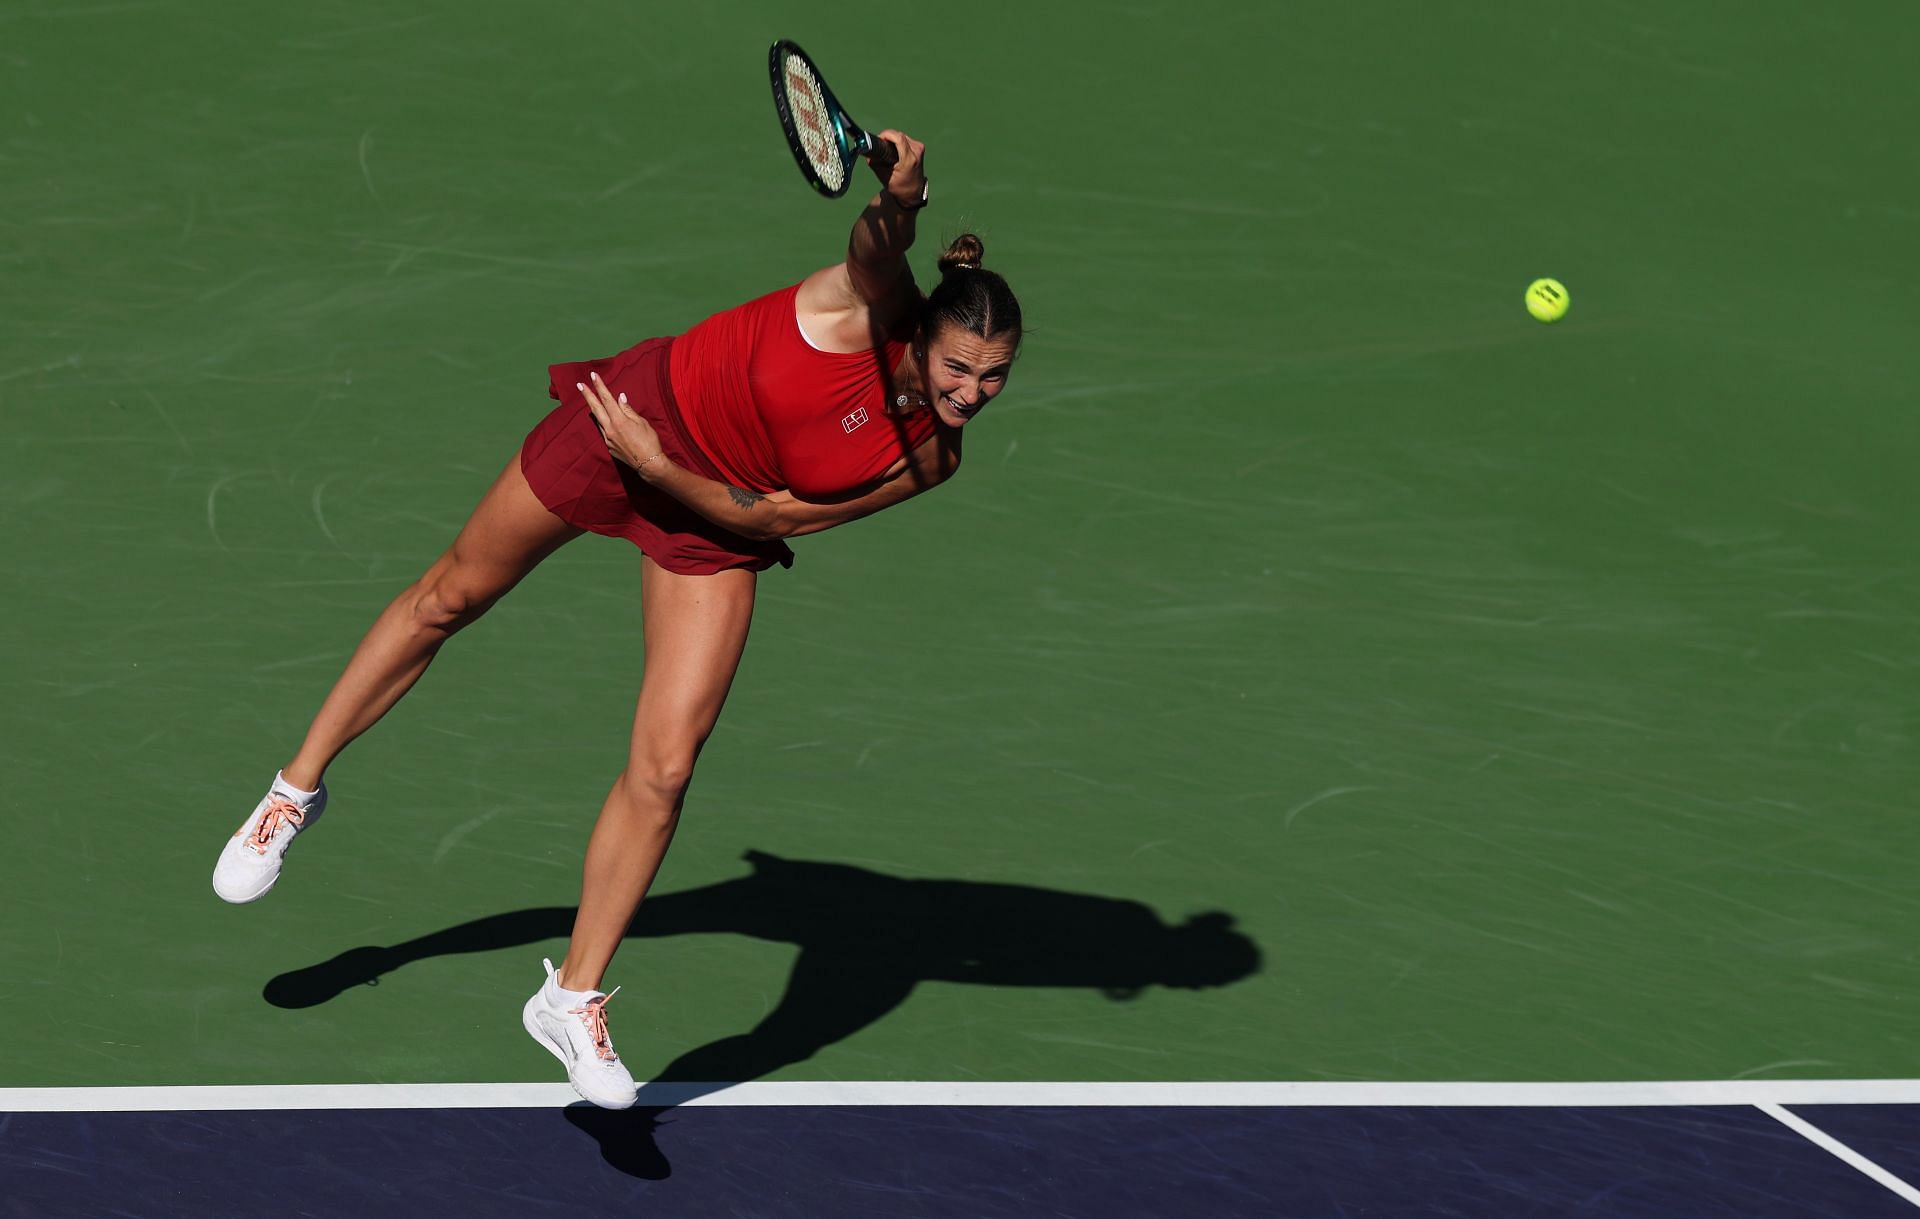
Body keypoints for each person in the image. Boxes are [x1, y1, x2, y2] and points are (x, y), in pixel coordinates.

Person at [209, 130, 1023, 1110]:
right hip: (626, 418)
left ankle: (573, 995)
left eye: (993, 378)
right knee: (451, 596)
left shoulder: (931, 457)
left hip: (705, 497)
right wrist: (908, 188)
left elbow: (773, 517)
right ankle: (295, 791)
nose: (970, 392)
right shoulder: (862, 307)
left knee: (667, 764)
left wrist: (662, 469)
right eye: (959, 366)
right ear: (924, 331)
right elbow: (878, 240)